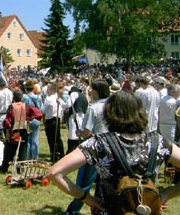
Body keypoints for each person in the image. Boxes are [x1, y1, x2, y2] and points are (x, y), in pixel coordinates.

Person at [47, 91, 180, 214]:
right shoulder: (159, 142)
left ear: (109, 114)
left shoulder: (98, 143)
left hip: (110, 210)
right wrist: (165, 194)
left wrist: (87, 198)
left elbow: (54, 173)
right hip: (147, 210)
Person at [63, 80, 110, 215]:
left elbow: (87, 132)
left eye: (92, 89)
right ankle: (101, 209)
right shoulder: (111, 106)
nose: (89, 91)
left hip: (93, 148)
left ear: (97, 91)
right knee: (103, 183)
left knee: (83, 183)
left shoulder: (93, 108)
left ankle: (72, 211)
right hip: (109, 148)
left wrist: (79, 132)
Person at [0, 90, 28, 173]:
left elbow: (7, 120)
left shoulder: (11, 107)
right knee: (22, 150)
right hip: (24, 131)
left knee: (9, 151)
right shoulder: (26, 106)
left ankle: (4, 168)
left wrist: (8, 127)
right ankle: (20, 169)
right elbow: (37, 114)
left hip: (13, 132)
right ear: (21, 98)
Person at [23, 79, 42, 159]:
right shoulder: (38, 97)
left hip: (27, 119)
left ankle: (27, 156)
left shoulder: (24, 97)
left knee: (27, 139)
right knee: (35, 139)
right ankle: (34, 156)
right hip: (35, 119)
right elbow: (39, 108)